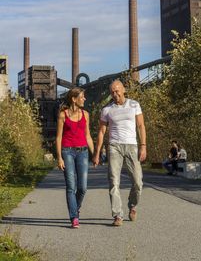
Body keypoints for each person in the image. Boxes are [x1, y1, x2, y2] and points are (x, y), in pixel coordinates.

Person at [93, 80, 147, 226]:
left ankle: (133, 205)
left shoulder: (134, 105)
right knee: (113, 181)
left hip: (131, 146)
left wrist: (143, 146)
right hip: (114, 146)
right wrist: (97, 153)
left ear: (123, 90)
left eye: (117, 91)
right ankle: (118, 215)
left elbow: (141, 126)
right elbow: (101, 132)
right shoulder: (106, 110)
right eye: (112, 92)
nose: (115, 94)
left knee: (138, 182)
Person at [56, 87, 94, 229]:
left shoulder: (86, 114)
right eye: (82, 97)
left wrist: (95, 154)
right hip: (67, 152)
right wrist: (59, 157)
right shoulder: (63, 115)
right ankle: (74, 217)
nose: (84, 99)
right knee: (71, 186)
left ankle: (75, 208)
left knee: (82, 187)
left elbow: (88, 136)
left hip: (83, 152)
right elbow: (59, 137)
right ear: (74, 99)